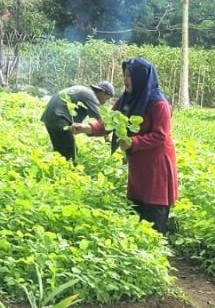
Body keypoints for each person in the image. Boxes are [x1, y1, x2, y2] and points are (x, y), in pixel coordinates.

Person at [73, 58, 178, 233]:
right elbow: (109, 122)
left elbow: (160, 135)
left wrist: (133, 142)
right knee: (136, 211)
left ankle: (154, 253)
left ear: (141, 78)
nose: (126, 80)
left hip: (156, 166)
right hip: (139, 165)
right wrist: (86, 128)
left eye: (130, 75)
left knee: (153, 214)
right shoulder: (126, 100)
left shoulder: (158, 103)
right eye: (125, 75)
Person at [40, 80, 115, 162]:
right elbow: (101, 122)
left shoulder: (85, 91)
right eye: (107, 99)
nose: (105, 102)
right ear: (102, 93)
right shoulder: (92, 96)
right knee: (70, 155)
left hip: (49, 117)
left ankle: (53, 168)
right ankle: (66, 172)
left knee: (60, 151)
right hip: (59, 118)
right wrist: (108, 142)